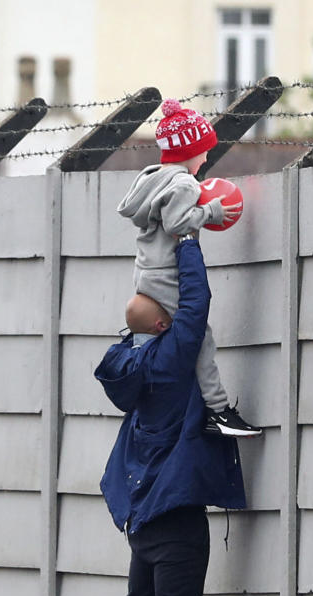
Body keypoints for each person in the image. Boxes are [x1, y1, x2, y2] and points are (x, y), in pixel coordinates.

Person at [84, 236, 246, 596]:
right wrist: (186, 242)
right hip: (176, 512)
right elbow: (196, 306)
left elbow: (151, 316)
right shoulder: (175, 358)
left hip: (142, 515)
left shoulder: (134, 364)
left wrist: (152, 278)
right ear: (163, 324)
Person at [117, 98, 260, 438]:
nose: (207, 158)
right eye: (204, 151)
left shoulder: (151, 178)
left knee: (155, 339)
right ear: (189, 151)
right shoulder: (183, 183)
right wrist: (211, 212)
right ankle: (218, 411)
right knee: (199, 338)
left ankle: (154, 395)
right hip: (168, 274)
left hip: (146, 272)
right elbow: (177, 222)